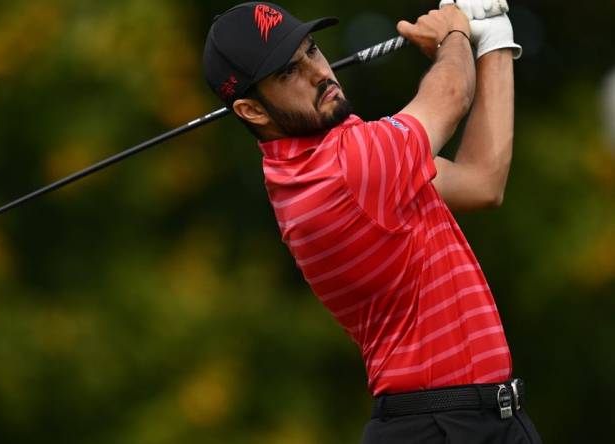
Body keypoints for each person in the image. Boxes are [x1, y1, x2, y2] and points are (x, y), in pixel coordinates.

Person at [203, 1, 542, 443]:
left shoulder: (330, 166)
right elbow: (452, 95)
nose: (317, 72)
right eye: (287, 73)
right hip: (438, 426)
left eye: (311, 51)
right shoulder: (342, 173)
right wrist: (455, 33)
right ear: (252, 111)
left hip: (482, 418)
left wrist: (494, 40)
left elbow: (482, 181)